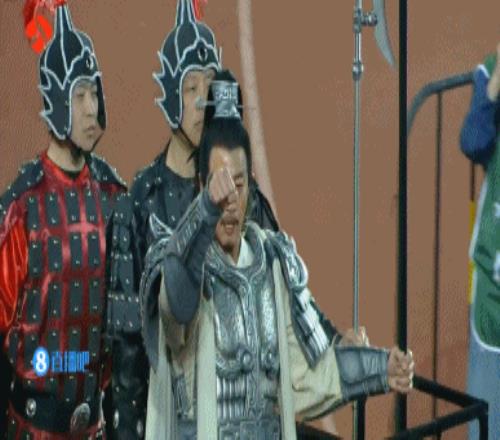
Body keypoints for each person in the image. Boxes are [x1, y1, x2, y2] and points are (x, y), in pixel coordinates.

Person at [141, 72, 414, 439]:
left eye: (238, 184)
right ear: (202, 185)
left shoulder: (272, 262)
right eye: (219, 185)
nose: (229, 200)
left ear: (251, 184)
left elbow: (310, 373)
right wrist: (204, 210)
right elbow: (177, 307)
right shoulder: (177, 260)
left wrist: (382, 368)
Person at [0, 2, 128, 438]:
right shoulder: (23, 207)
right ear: (55, 101)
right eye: (79, 96)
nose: (92, 109)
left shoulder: (113, 196)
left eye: (94, 93)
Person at [460, 43, 500, 439]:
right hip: (492, 295)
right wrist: (495, 86)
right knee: (487, 424)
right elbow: (473, 141)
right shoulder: (490, 72)